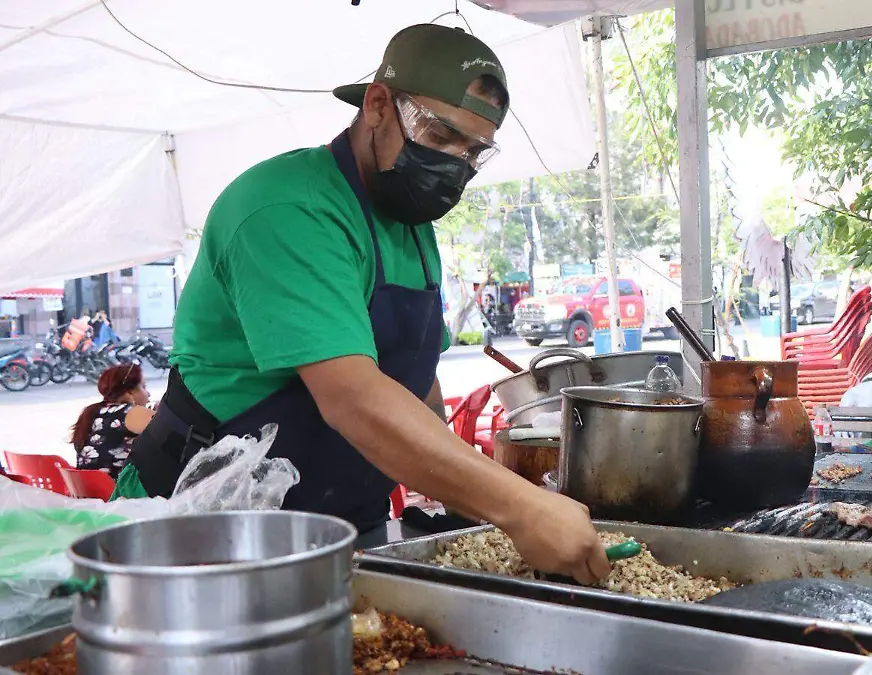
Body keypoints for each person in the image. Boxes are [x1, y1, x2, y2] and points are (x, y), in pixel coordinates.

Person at [116, 25, 609, 584]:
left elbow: (414, 381)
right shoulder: (287, 208)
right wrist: (519, 507)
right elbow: (352, 397)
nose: (455, 165)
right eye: (441, 134)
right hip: (210, 525)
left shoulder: (409, 225)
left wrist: (469, 500)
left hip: (347, 524)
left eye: (474, 150)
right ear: (377, 105)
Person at [70, 364, 154, 477]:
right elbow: (172, 426)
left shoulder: (95, 411)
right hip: (119, 491)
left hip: (92, 489)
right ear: (130, 392)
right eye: (144, 387)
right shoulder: (126, 412)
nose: (148, 394)